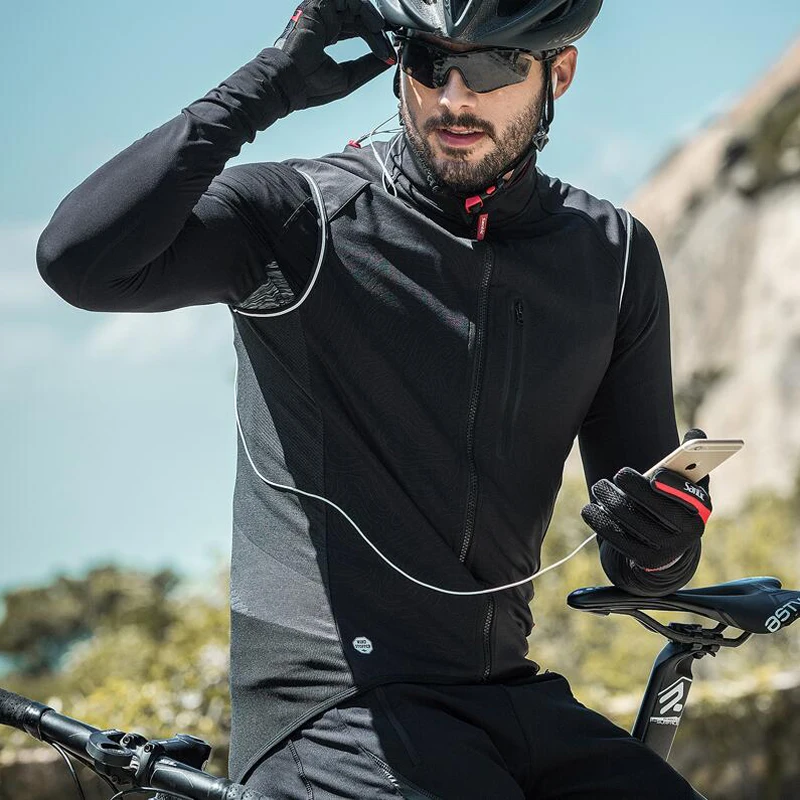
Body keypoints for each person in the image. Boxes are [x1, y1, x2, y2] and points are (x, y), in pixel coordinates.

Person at [36, 0, 712, 796]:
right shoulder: (300, 219)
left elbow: (641, 564)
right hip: (331, 708)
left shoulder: (613, 255)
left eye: (490, 65)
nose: (454, 98)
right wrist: (268, 82)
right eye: (430, 62)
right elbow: (80, 262)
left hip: (505, 692)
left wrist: (663, 541)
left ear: (558, 72)